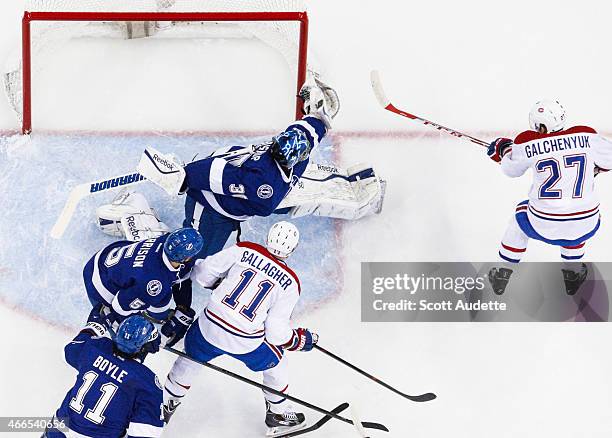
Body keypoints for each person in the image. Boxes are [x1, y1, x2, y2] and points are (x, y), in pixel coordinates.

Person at [162, 221, 318, 436]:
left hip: (208, 326)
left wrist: (216, 285)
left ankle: (165, 405)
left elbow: (202, 271)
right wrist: (298, 340)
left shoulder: (245, 249)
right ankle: (278, 414)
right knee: (277, 364)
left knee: (191, 358)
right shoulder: (290, 283)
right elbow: (275, 332)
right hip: (243, 341)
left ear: (268, 238)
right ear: (293, 248)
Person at [486, 99, 612, 295]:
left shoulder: (528, 141)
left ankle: (502, 271)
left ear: (541, 124)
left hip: (544, 223)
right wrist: (595, 168)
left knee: (521, 217)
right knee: (577, 216)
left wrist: (503, 150)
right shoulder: (585, 134)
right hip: (587, 222)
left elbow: (511, 169)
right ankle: (573, 274)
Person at [43, 307, 164, 438]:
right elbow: (145, 434)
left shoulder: (95, 347)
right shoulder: (147, 383)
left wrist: (93, 326)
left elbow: (70, 351)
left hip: (58, 430)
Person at [83, 227, 203, 346]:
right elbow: (120, 308)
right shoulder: (153, 282)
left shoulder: (167, 240)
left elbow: (180, 275)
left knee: (162, 295)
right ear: (187, 257)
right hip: (99, 281)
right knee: (128, 338)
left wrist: (183, 306)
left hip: (111, 258)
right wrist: (150, 333)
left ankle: (157, 315)